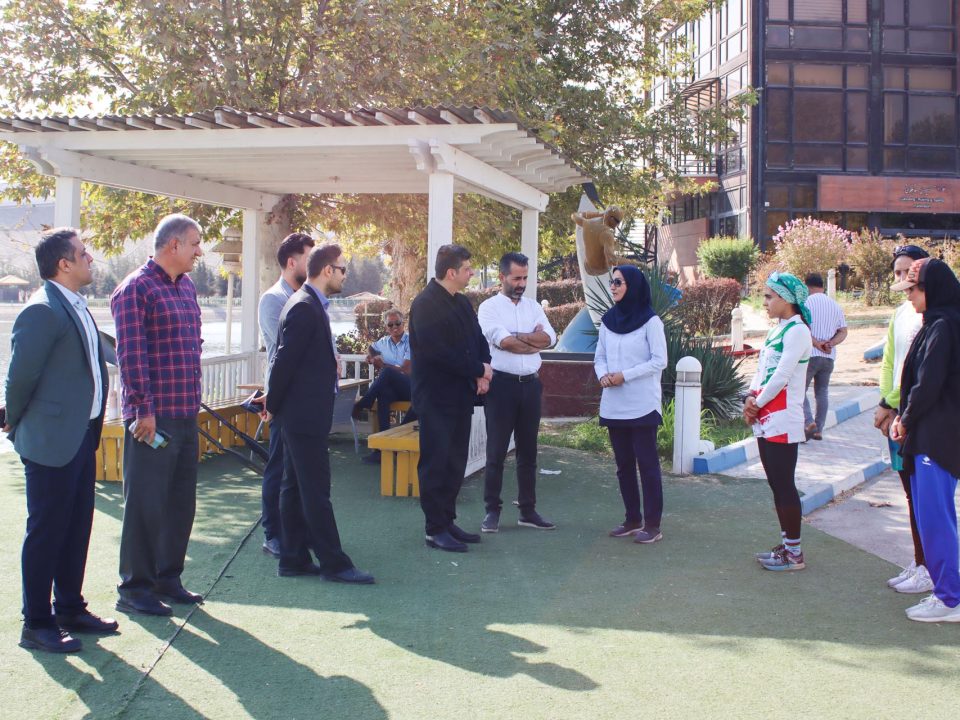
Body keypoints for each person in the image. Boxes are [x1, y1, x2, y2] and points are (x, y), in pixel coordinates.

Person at [5, 228, 118, 652]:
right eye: (83, 254)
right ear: (63, 264)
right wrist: (15, 423)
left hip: (82, 435)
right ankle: (36, 623)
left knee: (76, 525)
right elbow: (20, 378)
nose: (90, 259)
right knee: (47, 531)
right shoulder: (42, 310)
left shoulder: (76, 304)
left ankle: (70, 607)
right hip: (50, 440)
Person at [111, 213, 205, 616]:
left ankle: (168, 578)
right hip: (152, 420)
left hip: (185, 415)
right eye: (195, 243)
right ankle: (135, 588)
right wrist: (143, 411)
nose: (199, 251)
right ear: (174, 245)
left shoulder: (186, 287)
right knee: (146, 505)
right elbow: (131, 356)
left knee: (181, 503)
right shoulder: (135, 289)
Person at [265, 244, 374, 584]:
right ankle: (334, 564)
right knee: (315, 491)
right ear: (328, 270)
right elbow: (283, 363)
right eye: (342, 269)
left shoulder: (308, 304)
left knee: (294, 488)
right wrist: (272, 406)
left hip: (300, 414)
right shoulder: (304, 307)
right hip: (302, 416)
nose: (345, 275)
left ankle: (293, 559)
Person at [889, 258, 960, 622]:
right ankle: (946, 591)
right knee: (930, 516)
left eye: (914, 289)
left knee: (935, 519)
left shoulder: (944, 326)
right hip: (929, 433)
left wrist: (905, 418)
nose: (910, 296)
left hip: (938, 437)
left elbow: (928, 383)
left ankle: (950, 598)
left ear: (932, 290)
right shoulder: (936, 323)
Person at [409, 244, 492, 553]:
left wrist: (483, 371)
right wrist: (477, 370)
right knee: (436, 463)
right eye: (467, 269)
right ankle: (434, 529)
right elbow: (438, 354)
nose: (472, 273)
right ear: (451, 272)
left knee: (456, 461)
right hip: (435, 398)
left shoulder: (462, 302)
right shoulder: (425, 304)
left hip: (460, 395)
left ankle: (447, 521)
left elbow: (478, 339)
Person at [478, 252, 557, 533]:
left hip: (531, 386)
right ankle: (492, 511)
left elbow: (550, 338)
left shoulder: (533, 307)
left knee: (528, 452)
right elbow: (505, 342)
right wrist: (531, 340)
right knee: (496, 452)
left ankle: (527, 511)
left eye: (525, 277)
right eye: (516, 278)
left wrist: (519, 336)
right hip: (501, 387)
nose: (522, 283)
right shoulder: (488, 308)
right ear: (502, 277)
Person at [595, 265, 668, 544]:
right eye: (612, 282)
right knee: (623, 465)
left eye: (619, 282)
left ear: (633, 286)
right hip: (614, 404)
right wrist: (603, 375)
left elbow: (659, 360)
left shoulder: (651, 321)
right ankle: (632, 519)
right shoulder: (608, 321)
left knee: (647, 465)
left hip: (642, 404)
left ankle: (653, 525)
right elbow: (600, 357)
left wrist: (625, 375)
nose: (613, 287)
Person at [745, 272, 813, 571]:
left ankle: (794, 553)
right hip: (765, 418)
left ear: (786, 299)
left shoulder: (798, 331)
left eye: (769, 296)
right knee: (775, 483)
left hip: (783, 418)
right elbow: (762, 371)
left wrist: (756, 404)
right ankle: (786, 546)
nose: (765, 302)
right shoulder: (779, 330)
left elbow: (782, 375)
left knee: (784, 484)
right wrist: (749, 397)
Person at [875, 245, 931, 594]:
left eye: (907, 272)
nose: (901, 279)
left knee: (926, 496)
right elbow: (890, 361)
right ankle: (920, 560)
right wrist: (885, 404)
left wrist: (895, 403)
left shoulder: (932, 315)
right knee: (910, 495)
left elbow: (921, 372)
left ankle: (932, 565)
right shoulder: (900, 313)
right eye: (896, 272)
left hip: (917, 416)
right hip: (896, 416)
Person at [257, 232, 315, 558]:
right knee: (278, 468)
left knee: (300, 471)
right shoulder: (273, 299)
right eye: (309, 258)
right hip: (283, 399)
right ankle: (272, 534)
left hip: (305, 400)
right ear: (292, 262)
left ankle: (297, 531)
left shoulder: (309, 297)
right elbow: (283, 352)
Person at [352, 308, 416, 463]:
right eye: (390, 325)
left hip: (411, 387)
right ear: (386, 327)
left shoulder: (411, 341)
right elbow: (371, 348)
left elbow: (406, 370)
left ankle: (365, 402)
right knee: (383, 394)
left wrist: (383, 365)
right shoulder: (383, 342)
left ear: (403, 323)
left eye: (397, 323)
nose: (394, 327)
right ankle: (382, 451)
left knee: (386, 372)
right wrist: (373, 357)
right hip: (395, 390)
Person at [802, 272, 847, 440]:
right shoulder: (835, 305)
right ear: (822, 285)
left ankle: (808, 422)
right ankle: (819, 429)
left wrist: (817, 343)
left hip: (809, 355)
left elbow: (802, 329)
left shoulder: (805, 304)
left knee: (798, 390)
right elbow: (843, 331)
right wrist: (831, 343)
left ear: (807, 286)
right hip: (828, 357)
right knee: (822, 392)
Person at [571, 206, 623, 276]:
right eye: (618, 221)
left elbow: (574, 216)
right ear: (611, 219)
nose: (618, 224)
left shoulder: (586, 223)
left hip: (588, 267)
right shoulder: (607, 234)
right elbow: (610, 256)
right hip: (602, 269)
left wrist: (599, 214)